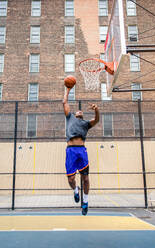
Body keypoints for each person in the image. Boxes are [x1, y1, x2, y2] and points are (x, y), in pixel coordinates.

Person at [63, 87, 99, 215]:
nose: (79, 111)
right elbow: (64, 103)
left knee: (86, 179)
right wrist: (67, 90)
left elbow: (96, 120)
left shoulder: (85, 123)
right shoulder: (69, 118)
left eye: (80, 111)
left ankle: (86, 201)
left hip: (81, 151)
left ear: (82, 115)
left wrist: (96, 110)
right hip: (71, 151)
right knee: (71, 179)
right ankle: (75, 191)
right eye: (77, 111)